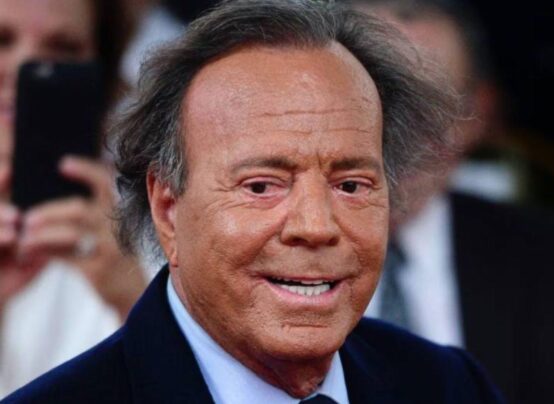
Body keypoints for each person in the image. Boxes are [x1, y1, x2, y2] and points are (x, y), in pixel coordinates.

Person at [3, 1, 505, 402]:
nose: (316, 225)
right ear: (168, 208)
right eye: (262, 186)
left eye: (351, 185)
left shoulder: (449, 386)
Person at [350, 1, 554, 402]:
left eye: (434, 105)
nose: (405, 134)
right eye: (377, 98)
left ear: (479, 115)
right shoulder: (261, 249)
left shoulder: (546, 260)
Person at [0, 0, 148, 396]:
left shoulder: (156, 226)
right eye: (1, 40)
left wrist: (133, 301)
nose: (25, 66)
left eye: (62, 48)